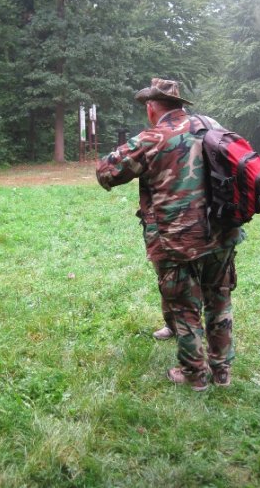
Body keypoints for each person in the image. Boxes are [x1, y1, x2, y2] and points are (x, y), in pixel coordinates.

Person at [96, 78, 244, 391]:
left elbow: (106, 172)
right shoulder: (211, 125)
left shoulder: (152, 138)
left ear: (152, 107)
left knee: (185, 307)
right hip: (222, 230)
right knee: (219, 301)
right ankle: (221, 372)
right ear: (179, 105)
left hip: (178, 239)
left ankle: (194, 375)